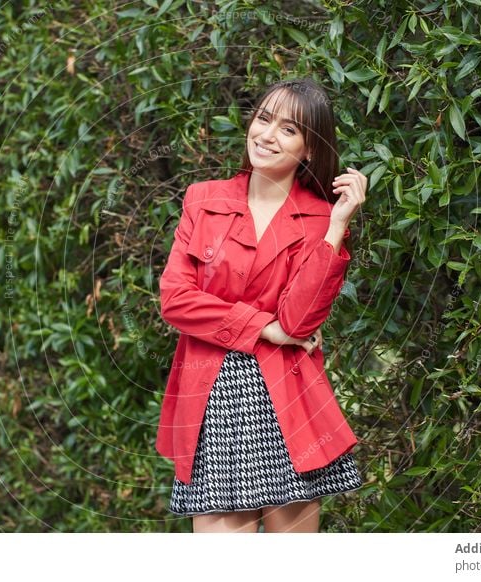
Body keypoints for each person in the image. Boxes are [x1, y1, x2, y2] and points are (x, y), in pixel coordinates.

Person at [156, 77, 368, 533]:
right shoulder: (203, 199)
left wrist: (336, 227)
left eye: (288, 129)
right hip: (210, 392)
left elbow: (300, 319)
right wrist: (263, 327)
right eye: (264, 119)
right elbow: (175, 299)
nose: (267, 135)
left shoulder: (318, 218)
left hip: (286, 394)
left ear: (310, 149)